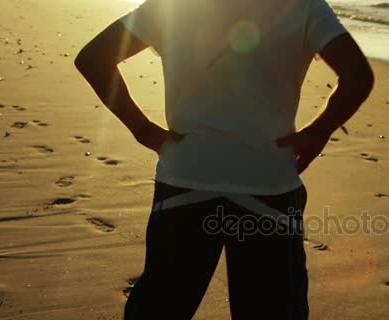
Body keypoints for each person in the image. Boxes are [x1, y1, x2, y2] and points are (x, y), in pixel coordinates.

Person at [75, 0, 373, 319]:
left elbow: (94, 58)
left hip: (184, 183)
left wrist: (142, 129)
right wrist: (317, 133)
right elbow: (357, 77)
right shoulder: (303, 6)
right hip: (267, 187)